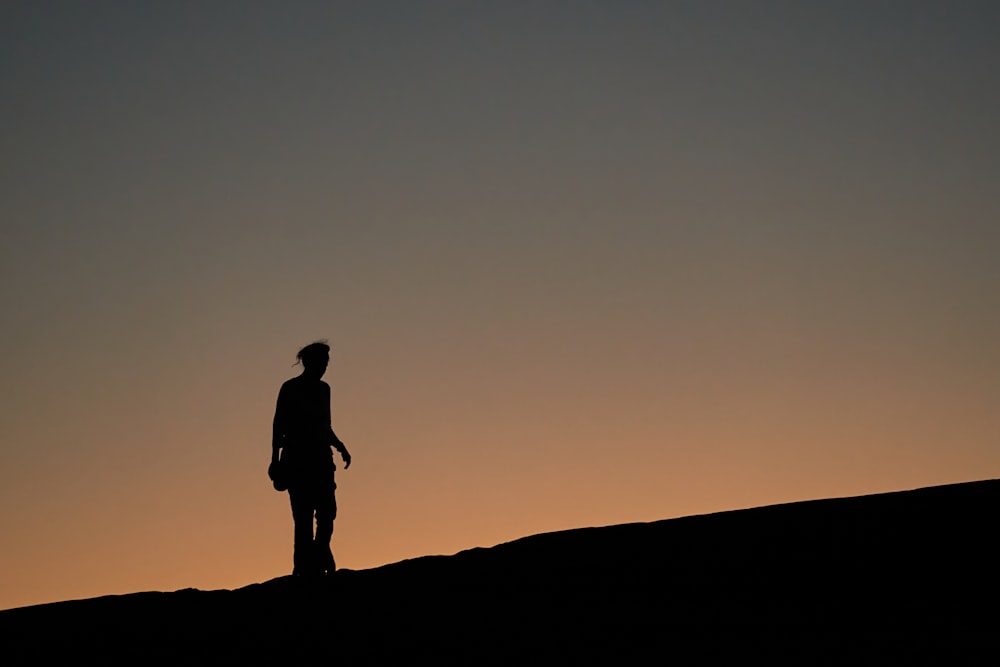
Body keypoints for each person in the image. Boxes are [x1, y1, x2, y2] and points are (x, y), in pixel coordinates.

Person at [271, 341, 352, 576]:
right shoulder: (290, 388)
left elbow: (325, 425)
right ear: (310, 362)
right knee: (303, 519)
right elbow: (278, 425)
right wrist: (274, 459)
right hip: (297, 461)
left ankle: (320, 552)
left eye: (326, 362)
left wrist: (339, 446)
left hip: (322, 461)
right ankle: (304, 570)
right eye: (322, 362)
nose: (325, 367)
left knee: (327, 513)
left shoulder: (324, 389)